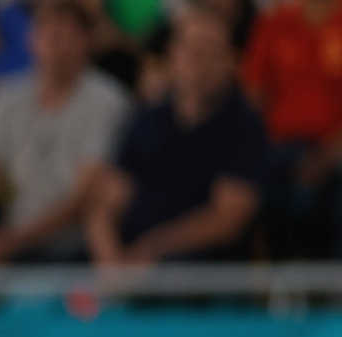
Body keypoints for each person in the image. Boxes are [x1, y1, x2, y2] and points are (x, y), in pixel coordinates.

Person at [85, 6, 268, 266]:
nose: (198, 62)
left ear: (231, 61)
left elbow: (228, 219)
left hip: (201, 270)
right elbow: (106, 203)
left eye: (210, 51)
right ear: (172, 56)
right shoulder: (145, 119)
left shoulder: (245, 126)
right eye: (191, 49)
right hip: (129, 263)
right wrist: (110, 259)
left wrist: (153, 249)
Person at [0, 0, 129, 266]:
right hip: (9, 242)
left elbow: (85, 196)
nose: (54, 42)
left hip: (73, 247)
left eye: (64, 34)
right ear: (31, 39)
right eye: (46, 31)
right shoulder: (4, 97)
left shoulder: (108, 101)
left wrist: (7, 243)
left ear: (87, 41)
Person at [239, 0, 342, 259]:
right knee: (243, 170)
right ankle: (265, 279)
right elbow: (251, 103)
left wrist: (323, 159)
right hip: (281, 148)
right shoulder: (274, 21)